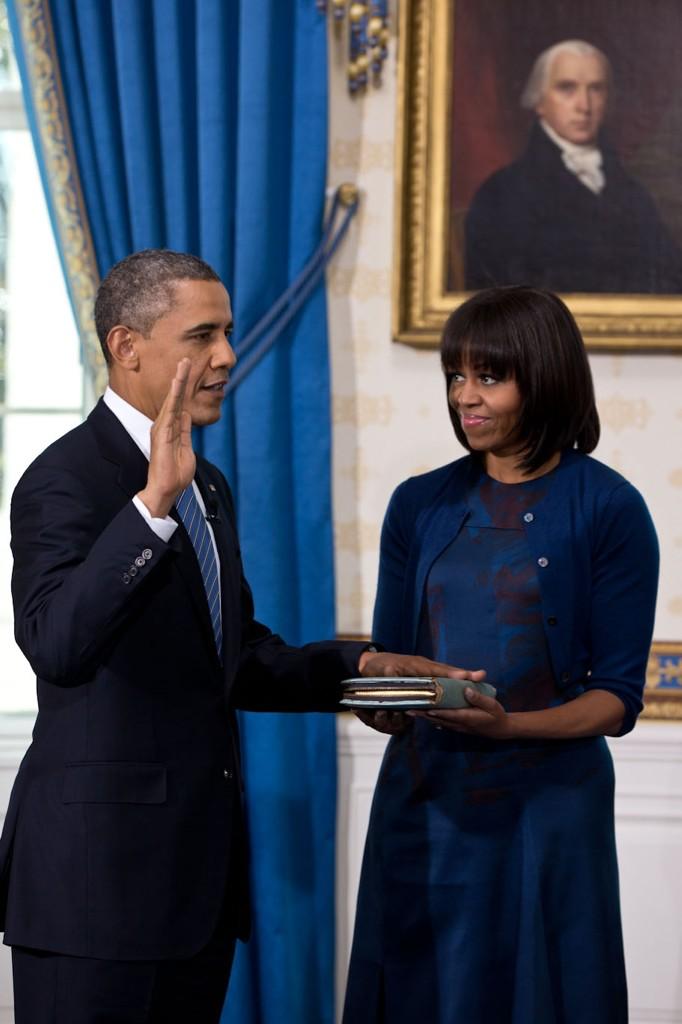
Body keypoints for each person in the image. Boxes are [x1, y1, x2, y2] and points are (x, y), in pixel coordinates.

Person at [0, 249, 473, 1024]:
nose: (226, 356)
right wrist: (153, 503)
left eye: (228, 332)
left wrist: (362, 667)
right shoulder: (67, 477)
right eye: (203, 335)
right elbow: (56, 643)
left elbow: (237, 658)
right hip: (95, 892)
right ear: (128, 348)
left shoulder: (205, 481)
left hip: (196, 893)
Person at [343, 285, 659, 1023]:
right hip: (424, 803)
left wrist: (507, 727)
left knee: (539, 995)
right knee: (420, 992)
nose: (465, 397)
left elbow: (616, 697)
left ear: (542, 376)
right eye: (456, 376)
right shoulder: (416, 503)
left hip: (549, 811)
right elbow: (395, 658)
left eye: (488, 377)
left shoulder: (609, 508)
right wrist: (381, 699)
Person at [464, 40, 682, 293]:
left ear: (608, 101)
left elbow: (670, 279)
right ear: (539, 101)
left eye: (596, 89)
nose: (584, 106)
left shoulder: (633, 192)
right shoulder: (503, 193)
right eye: (567, 88)